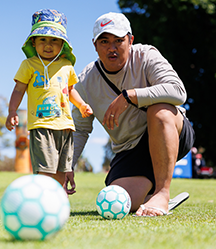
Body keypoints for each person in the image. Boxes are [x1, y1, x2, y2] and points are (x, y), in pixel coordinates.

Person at [64, 12, 195, 216]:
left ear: (130, 40)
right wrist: (68, 165)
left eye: (119, 40)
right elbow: (80, 128)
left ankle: (162, 192)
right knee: (119, 200)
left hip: (171, 129)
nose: (112, 48)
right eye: (104, 41)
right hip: (130, 149)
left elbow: (178, 91)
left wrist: (130, 96)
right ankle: (149, 197)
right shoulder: (85, 81)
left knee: (158, 110)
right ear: (94, 45)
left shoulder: (146, 55)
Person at [6, 9, 93, 186]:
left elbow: (70, 91)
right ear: (33, 41)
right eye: (43, 39)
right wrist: (12, 111)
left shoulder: (67, 66)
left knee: (62, 169)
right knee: (45, 170)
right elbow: (18, 89)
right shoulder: (29, 65)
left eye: (55, 40)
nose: (48, 44)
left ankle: (58, 202)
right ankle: (43, 203)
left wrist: (82, 104)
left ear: (63, 44)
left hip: (66, 126)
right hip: (42, 125)